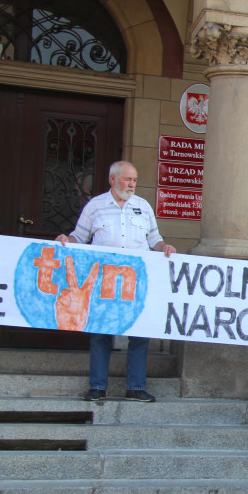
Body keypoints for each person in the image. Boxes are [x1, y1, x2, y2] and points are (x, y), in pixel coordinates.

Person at [55, 160, 176, 403]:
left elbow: (154, 239)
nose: (132, 184)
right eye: (127, 179)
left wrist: (165, 247)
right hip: (103, 281)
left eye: (134, 180)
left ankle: (136, 387)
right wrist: (66, 239)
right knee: (101, 332)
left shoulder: (143, 206)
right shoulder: (96, 206)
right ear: (113, 179)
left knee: (140, 332)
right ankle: (98, 387)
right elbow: (80, 236)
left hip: (136, 280)